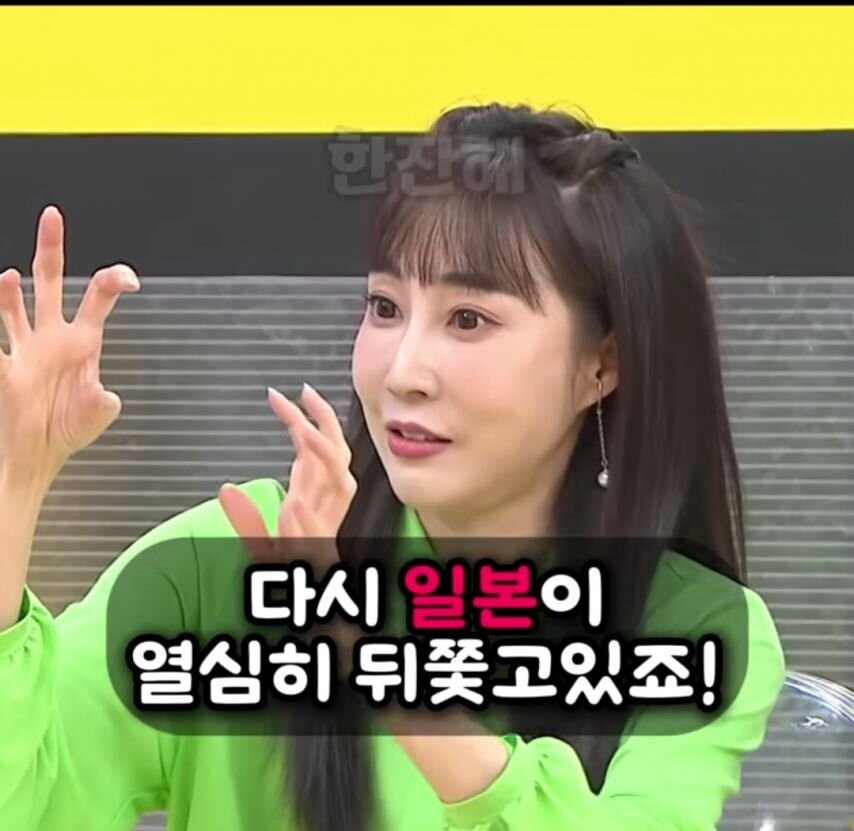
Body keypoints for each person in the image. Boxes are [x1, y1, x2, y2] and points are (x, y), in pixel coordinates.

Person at [0, 102, 785, 831]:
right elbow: (28, 795)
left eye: (468, 318)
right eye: (384, 307)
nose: (403, 370)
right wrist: (15, 480)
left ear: (601, 364)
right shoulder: (236, 558)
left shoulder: (693, 628)